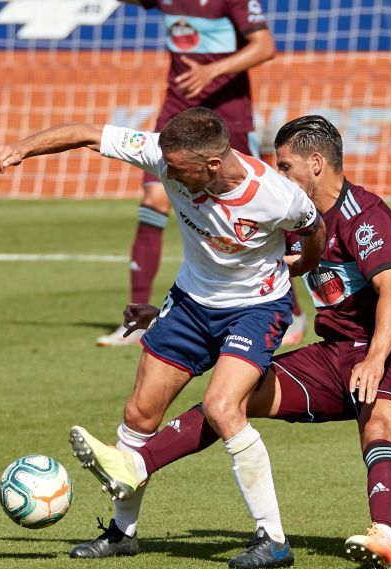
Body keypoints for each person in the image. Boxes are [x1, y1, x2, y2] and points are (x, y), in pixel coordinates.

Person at [70, 115, 391, 569]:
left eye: (286, 165)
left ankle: (382, 535)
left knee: (378, 427)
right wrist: (164, 313)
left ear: (316, 163)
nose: (278, 173)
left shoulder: (365, 214)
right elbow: (246, 280)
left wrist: (376, 359)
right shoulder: (292, 216)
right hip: (333, 353)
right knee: (229, 402)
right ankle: (134, 482)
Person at [0, 107, 326, 569]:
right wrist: (21, 148)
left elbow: (315, 230)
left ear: (211, 164)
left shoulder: (275, 196)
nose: (171, 177)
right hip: (190, 304)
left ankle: (273, 540)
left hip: (255, 310)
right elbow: (87, 134)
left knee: (223, 406)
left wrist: (302, 267)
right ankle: (123, 533)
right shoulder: (165, 156)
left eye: (180, 170)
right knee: (140, 412)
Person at [97, 0, 307, 348]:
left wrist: (213, 71)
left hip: (228, 117)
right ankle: (136, 319)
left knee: (262, 210)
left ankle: (293, 309)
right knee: (152, 200)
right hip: (179, 113)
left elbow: (264, 46)